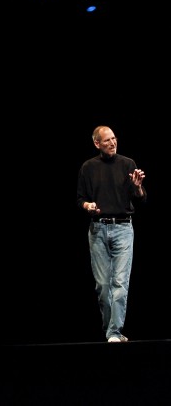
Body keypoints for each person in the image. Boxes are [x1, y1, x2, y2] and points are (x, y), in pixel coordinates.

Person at [76, 125, 146, 343]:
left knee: (120, 282)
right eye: (107, 140)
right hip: (98, 229)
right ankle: (113, 331)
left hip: (123, 228)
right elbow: (80, 199)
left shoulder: (128, 164)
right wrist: (88, 206)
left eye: (114, 138)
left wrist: (138, 187)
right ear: (97, 143)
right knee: (103, 286)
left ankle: (114, 333)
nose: (113, 143)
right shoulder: (88, 167)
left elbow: (141, 198)